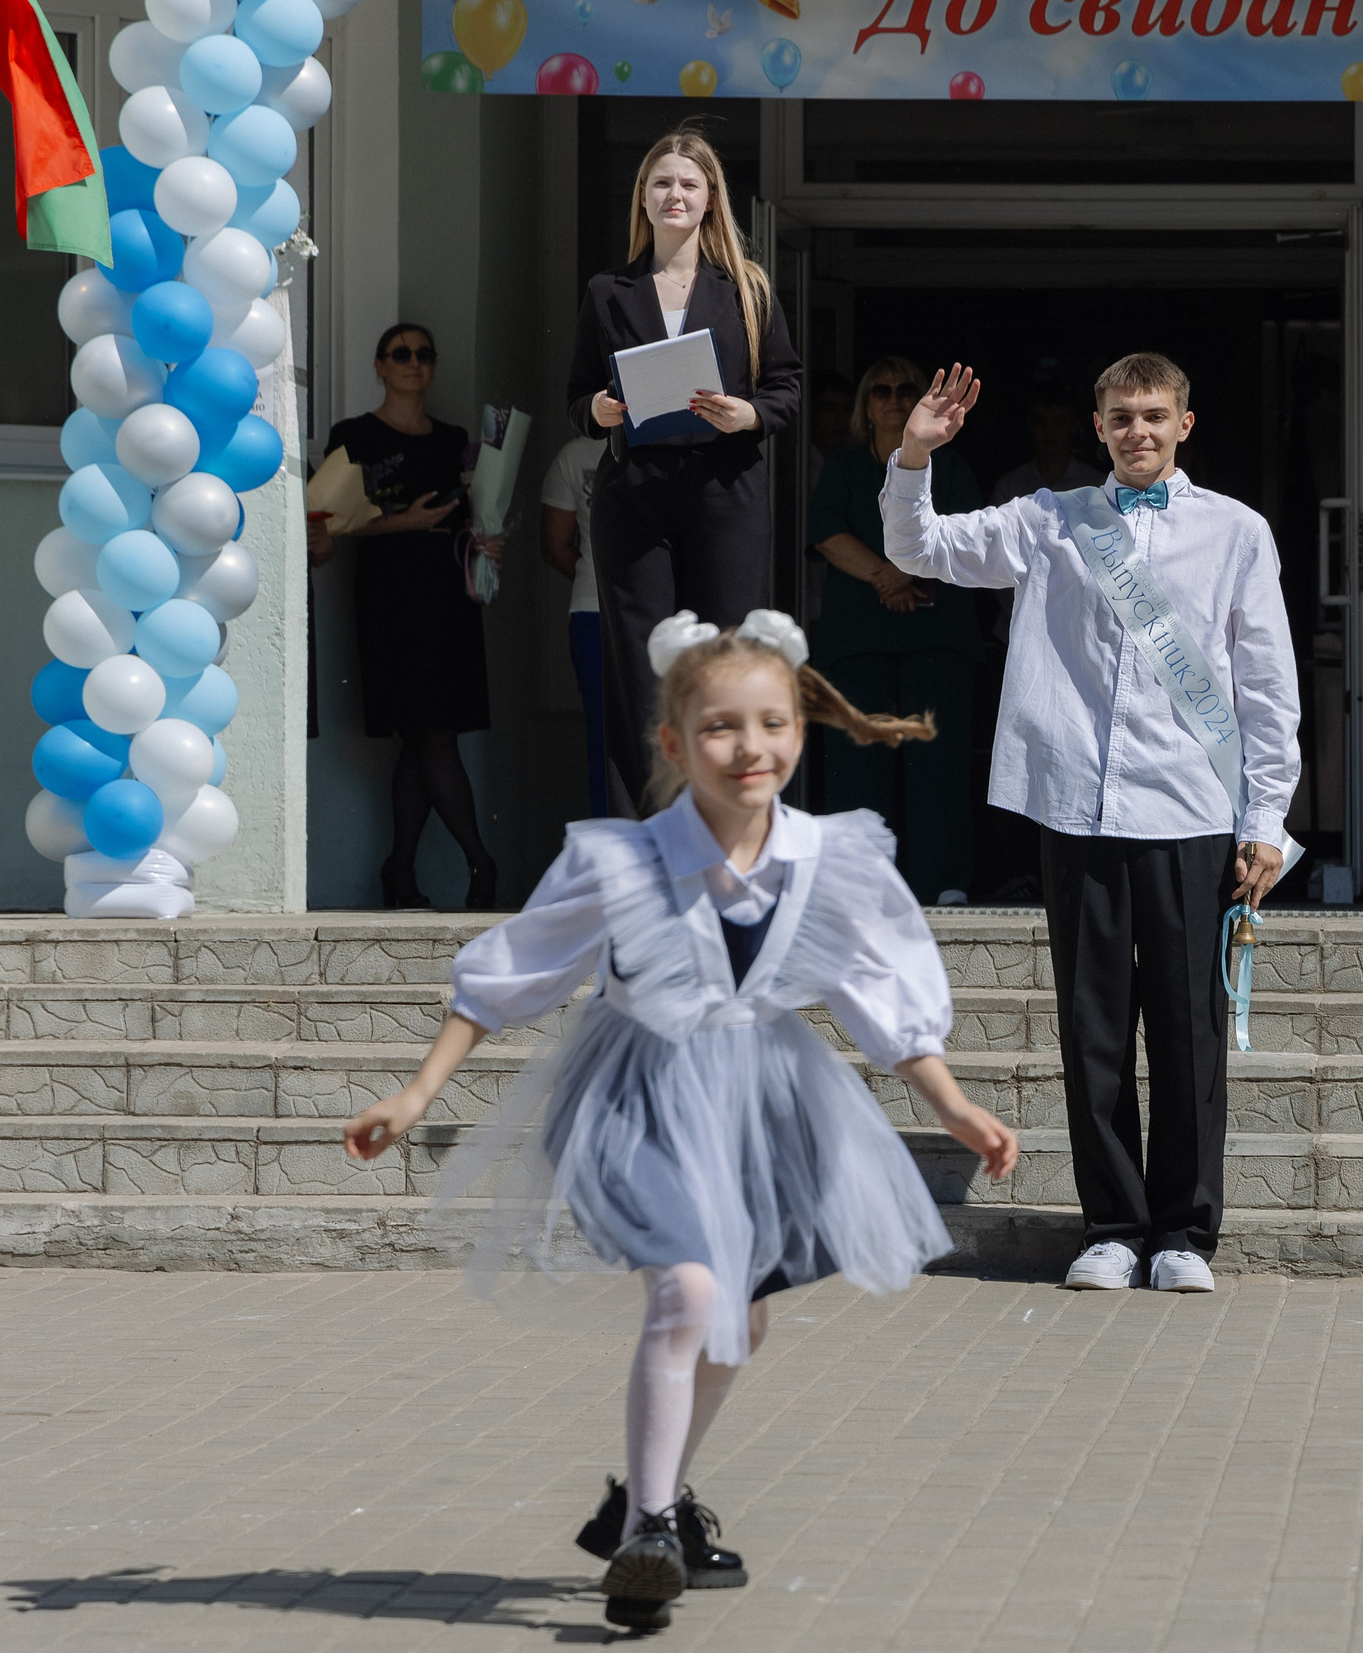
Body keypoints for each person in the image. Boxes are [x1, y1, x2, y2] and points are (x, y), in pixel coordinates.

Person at [340, 608, 1016, 1634]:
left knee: (737, 1318)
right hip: (632, 1099)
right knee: (689, 1293)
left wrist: (954, 1104)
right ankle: (651, 1530)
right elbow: (512, 972)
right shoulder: (617, 861)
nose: (751, 749)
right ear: (671, 743)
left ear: (801, 727)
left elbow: (880, 992)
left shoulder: (834, 858)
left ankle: (649, 1501)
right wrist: (417, 1091)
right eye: (720, 728)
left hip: (764, 1105)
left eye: (773, 724)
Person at [883, 354, 1301, 1297]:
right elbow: (921, 549)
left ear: (1185, 424)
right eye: (1121, 417)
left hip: (1192, 806)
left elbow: (1268, 684)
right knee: (1094, 1027)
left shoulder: (1237, 532)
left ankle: (1186, 1232)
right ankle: (1112, 1226)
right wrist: (914, 451)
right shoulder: (1050, 518)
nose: (1138, 431)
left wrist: (1266, 817)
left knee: (1188, 1030)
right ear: (1099, 427)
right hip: (1076, 802)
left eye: (1155, 415)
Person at [565, 125, 802, 817]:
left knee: (728, 655)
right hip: (635, 495)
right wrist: (601, 410)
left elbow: (786, 385)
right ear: (643, 196)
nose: (675, 194)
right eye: (662, 182)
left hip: (726, 490)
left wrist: (747, 415)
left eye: (689, 184)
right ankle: (649, 828)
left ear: (710, 200)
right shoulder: (608, 291)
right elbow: (576, 396)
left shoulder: (747, 290)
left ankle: (731, 816)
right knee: (638, 666)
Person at [330, 323, 504, 911]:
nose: (413, 363)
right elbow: (327, 520)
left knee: (427, 735)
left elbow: (475, 518)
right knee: (429, 734)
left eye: (424, 355)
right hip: (390, 599)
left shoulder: (454, 439)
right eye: (401, 354)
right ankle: (480, 863)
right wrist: (403, 524)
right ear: (379, 365)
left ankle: (400, 872)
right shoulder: (353, 436)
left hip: (448, 600)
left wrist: (488, 542)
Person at [806, 355, 983, 903]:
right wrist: (887, 575)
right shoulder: (843, 467)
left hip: (936, 639)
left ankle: (943, 884)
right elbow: (825, 532)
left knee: (938, 766)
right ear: (866, 406)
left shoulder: (951, 468)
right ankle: (858, 888)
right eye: (881, 391)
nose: (895, 399)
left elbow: (969, 532)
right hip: (858, 642)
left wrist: (906, 571)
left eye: (906, 390)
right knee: (859, 765)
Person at [539, 434, 611, 818]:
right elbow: (555, 546)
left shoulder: (673, 437)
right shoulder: (576, 454)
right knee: (605, 746)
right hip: (593, 613)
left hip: (661, 619)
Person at [991, 387, 1098, 502]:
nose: (1049, 431)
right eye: (1040, 421)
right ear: (1030, 424)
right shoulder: (1010, 487)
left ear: (1073, 425)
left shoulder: (1095, 485)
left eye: (1058, 422)